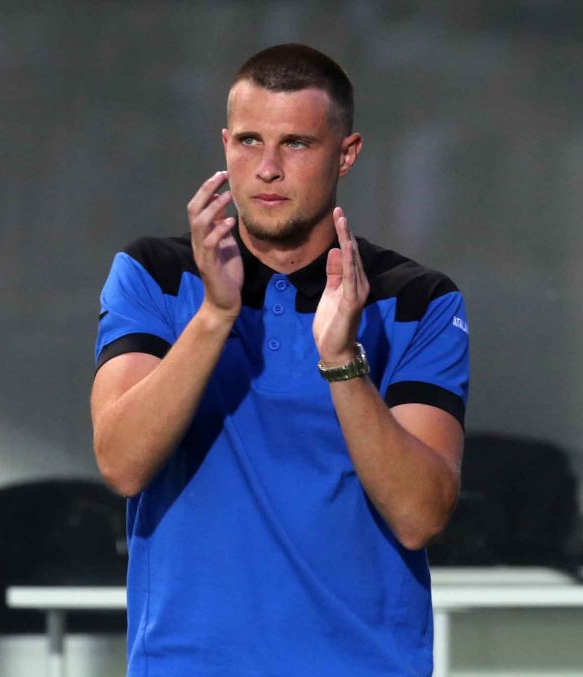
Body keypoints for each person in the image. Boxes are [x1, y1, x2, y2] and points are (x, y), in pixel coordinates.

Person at [91, 43, 469, 676]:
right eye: (248, 141)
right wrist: (215, 316)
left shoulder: (416, 299)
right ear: (225, 145)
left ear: (346, 154)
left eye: (296, 143)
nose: (267, 168)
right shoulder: (153, 274)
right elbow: (122, 463)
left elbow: (419, 516)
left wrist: (342, 360)